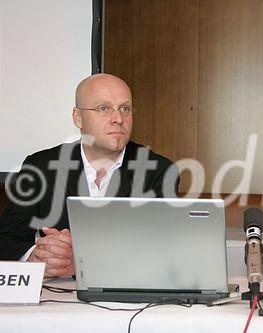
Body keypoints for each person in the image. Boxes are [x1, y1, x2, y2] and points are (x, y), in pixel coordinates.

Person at [0, 74, 179, 277]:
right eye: (104, 109)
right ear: (78, 118)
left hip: (126, 299)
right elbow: (6, 238)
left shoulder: (158, 171)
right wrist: (37, 257)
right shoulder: (41, 166)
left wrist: (81, 264)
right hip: (56, 295)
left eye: (125, 109)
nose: (118, 119)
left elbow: (160, 251)